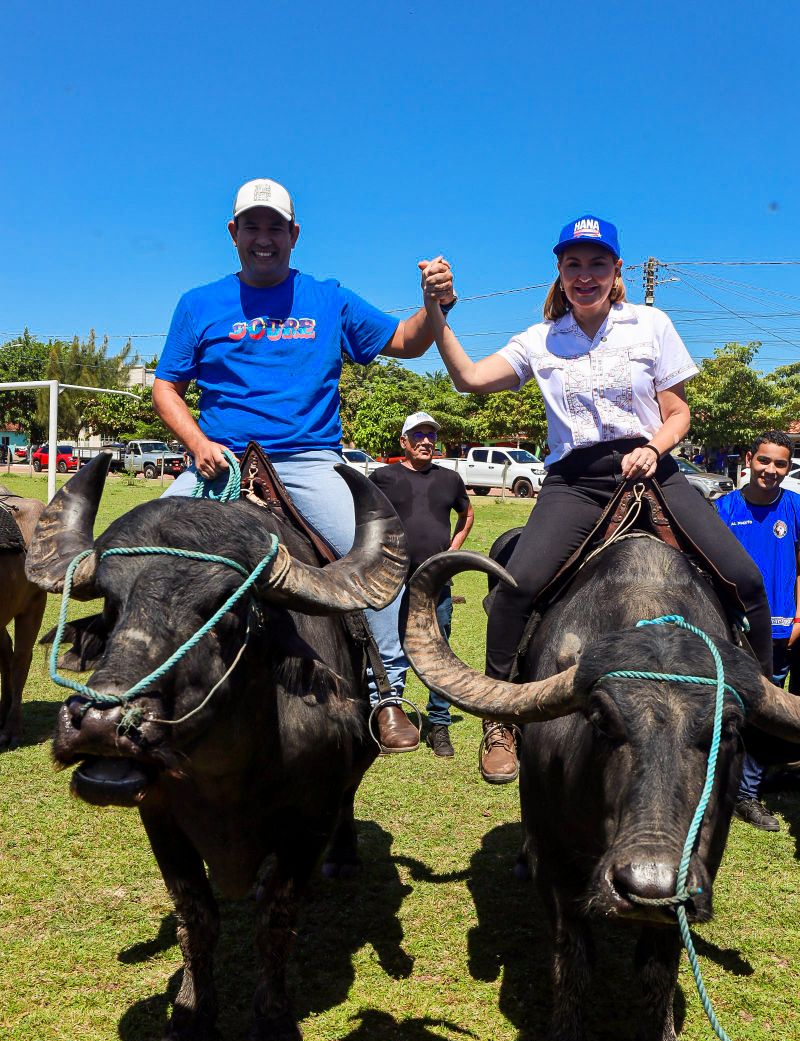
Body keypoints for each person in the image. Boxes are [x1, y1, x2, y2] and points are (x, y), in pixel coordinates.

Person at [419, 214, 773, 783]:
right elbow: (468, 378)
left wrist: (655, 448)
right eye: (574, 264)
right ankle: (501, 718)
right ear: (559, 272)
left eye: (597, 263)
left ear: (617, 270)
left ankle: (761, 709)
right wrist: (438, 310)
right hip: (575, 482)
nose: (586, 275)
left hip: (652, 470)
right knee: (516, 590)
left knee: (747, 580)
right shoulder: (539, 340)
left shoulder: (651, 324)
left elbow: (678, 413)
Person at [152, 178, 457, 754]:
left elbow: (407, 341)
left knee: (381, 563)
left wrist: (432, 302)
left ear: (293, 235)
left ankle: (388, 693)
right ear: (233, 233)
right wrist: (196, 444)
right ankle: (128, 688)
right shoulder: (198, 304)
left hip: (309, 461)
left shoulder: (328, 299)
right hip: (218, 463)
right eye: (252, 226)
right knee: (135, 553)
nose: (263, 238)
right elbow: (166, 387)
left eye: (275, 227)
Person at [371, 411, 474, 756]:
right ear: (404, 442)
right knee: (389, 649)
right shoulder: (384, 477)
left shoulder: (450, 479)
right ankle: (389, 714)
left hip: (434, 581)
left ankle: (439, 726)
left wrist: (452, 552)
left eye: (431, 435)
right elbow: (364, 517)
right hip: (391, 578)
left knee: (438, 649)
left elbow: (467, 514)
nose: (426, 441)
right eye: (418, 435)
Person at [715, 431, 800, 831]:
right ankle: (734, 789)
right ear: (750, 459)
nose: (771, 470)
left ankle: (751, 788)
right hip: (734, 628)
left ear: (788, 466)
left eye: (780, 463)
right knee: (735, 707)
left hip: (784, 630)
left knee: (770, 708)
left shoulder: (796, 508)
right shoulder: (723, 510)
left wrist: (799, 617)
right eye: (764, 461)